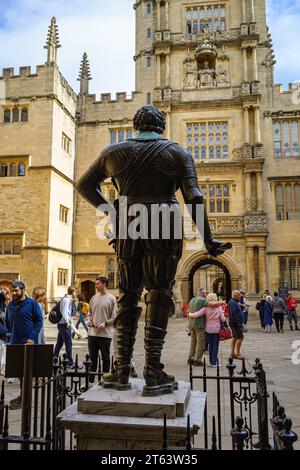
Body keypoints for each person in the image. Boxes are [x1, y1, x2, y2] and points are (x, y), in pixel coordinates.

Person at [76, 104, 231, 395]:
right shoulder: (178, 152)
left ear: (136, 125)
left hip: (128, 223)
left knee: (128, 296)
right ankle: (153, 371)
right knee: (159, 295)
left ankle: (121, 370)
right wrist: (208, 239)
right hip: (164, 221)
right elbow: (194, 197)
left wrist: (111, 212)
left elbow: (84, 185)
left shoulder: (114, 152)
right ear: (160, 126)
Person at [6, 281, 43, 410]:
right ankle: (23, 396)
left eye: (16, 291)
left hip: (28, 342)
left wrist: (32, 337)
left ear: (23, 290)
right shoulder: (10, 305)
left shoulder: (32, 304)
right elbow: (8, 322)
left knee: (26, 372)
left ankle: (25, 399)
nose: (14, 293)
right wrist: (8, 336)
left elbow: (39, 321)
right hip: (14, 342)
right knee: (18, 371)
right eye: (13, 291)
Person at [87, 277, 117, 383]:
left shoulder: (112, 299)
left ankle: (105, 378)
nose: (95, 285)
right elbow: (89, 313)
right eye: (95, 283)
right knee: (92, 358)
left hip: (105, 334)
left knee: (106, 358)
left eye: (97, 284)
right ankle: (90, 380)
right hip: (92, 333)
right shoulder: (93, 298)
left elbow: (114, 317)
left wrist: (105, 323)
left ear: (104, 284)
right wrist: (89, 320)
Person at [188, 288, 224, 366]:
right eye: (205, 293)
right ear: (202, 293)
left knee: (193, 342)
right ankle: (197, 360)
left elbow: (192, 311)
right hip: (199, 325)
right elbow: (213, 304)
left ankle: (191, 358)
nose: (206, 295)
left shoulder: (192, 300)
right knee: (200, 343)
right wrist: (222, 302)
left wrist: (189, 314)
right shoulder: (203, 300)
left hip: (192, 324)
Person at [53, 286, 77, 367]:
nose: (76, 294)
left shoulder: (66, 299)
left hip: (62, 324)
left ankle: (54, 357)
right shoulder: (66, 300)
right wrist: (67, 322)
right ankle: (70, 361)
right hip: (64, 324)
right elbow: (64, 311)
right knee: (68, 343)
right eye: (75, 292)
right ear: (73, 292)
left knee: (59, 343)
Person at [228, 290, 244, 359]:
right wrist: (238, 323)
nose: (240, 297)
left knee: (235, 337)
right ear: (235, 295)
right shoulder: (233, 303)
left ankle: (232, 353)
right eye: (239, 295)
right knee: (240, 337)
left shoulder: (234, 302)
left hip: (234, 322)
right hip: (235, 323)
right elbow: (233, 314)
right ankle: (237, 353)